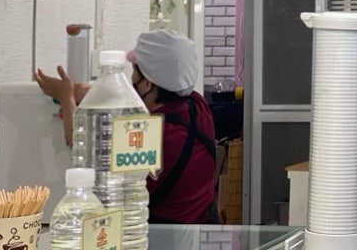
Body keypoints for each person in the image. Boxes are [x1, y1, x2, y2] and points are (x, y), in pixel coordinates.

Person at [35, 29, 219, 225]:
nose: (131, 78)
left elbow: (85, 152)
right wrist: (89, 92)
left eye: (134, 71)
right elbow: (128, 96)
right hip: (204, 230)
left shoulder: (155, 135)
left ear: (146, 84)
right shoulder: (198, 106)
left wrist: (66, 98)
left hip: (164, 235)